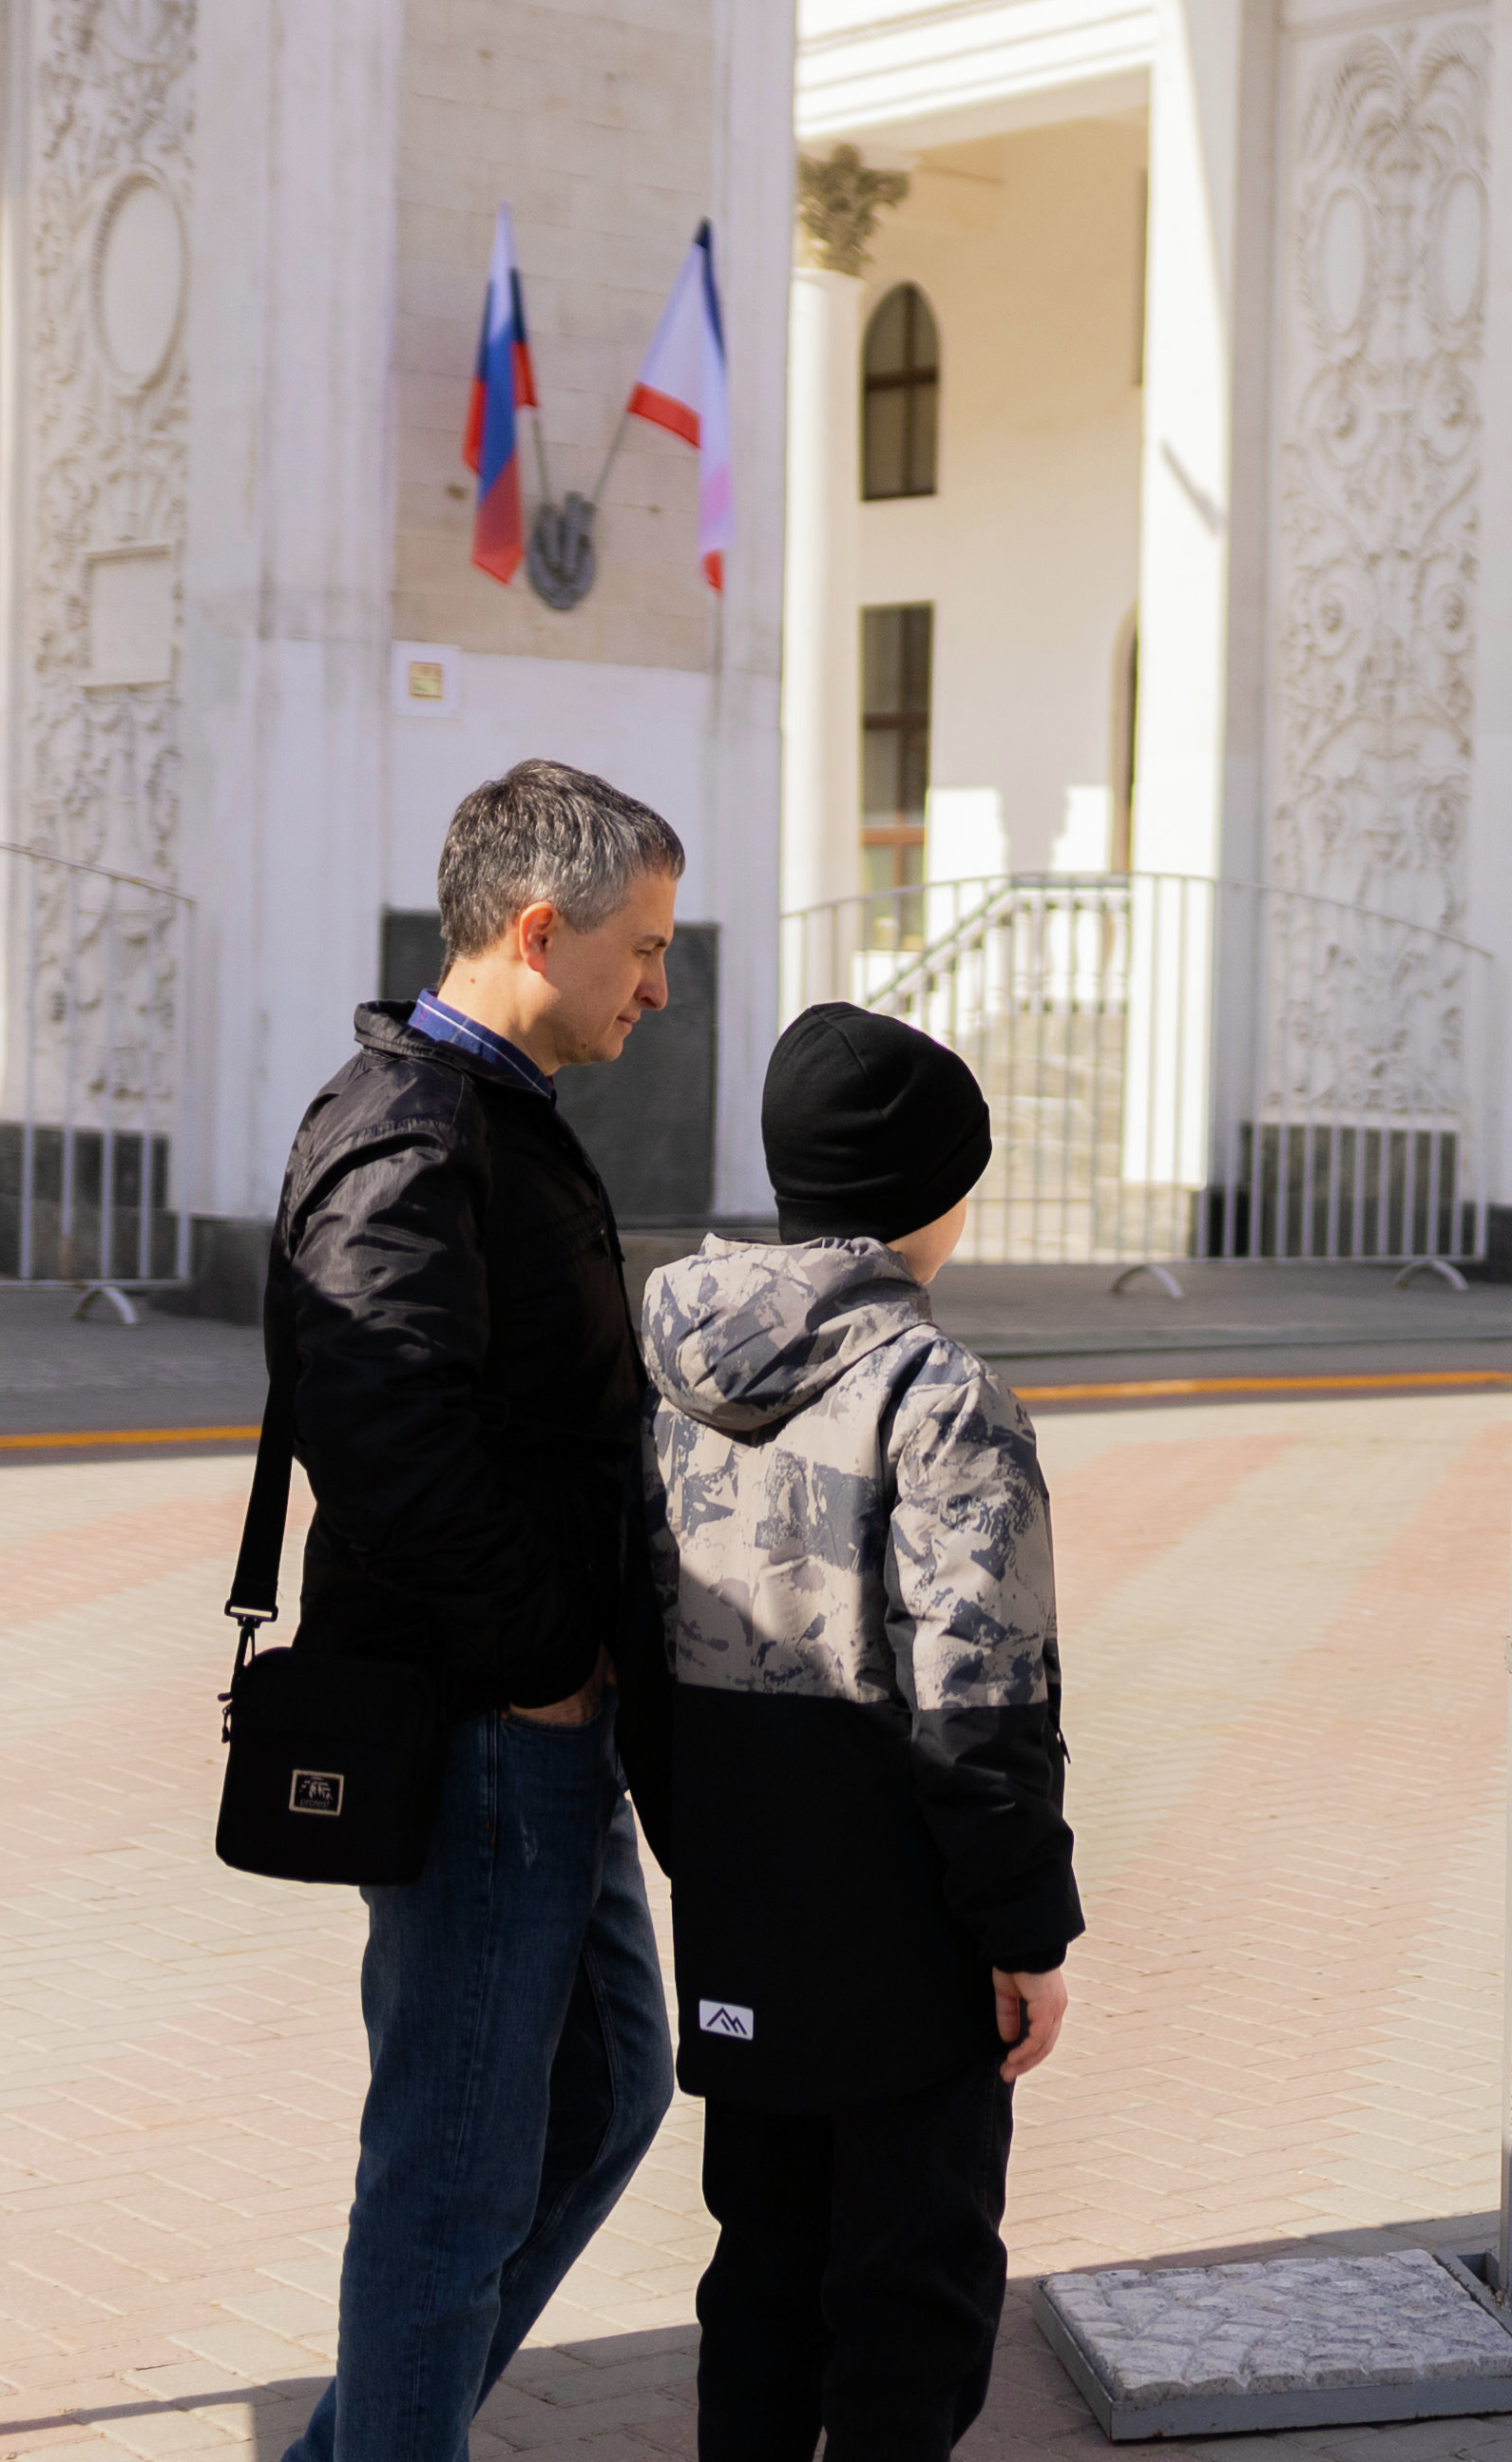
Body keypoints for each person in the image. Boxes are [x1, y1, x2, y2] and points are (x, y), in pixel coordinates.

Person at [268, 760, 684, 2462]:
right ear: (539, 930)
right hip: (484, 1729)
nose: (659, 986)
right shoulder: (415, 1132)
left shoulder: (485, 1117)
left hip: (535, 1727)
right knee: (448, 2176)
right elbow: (381, 1432)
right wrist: (538, 1665)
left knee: (607, 2091)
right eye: (642, 950)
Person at [635, 1002, 1084, 2459]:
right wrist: (1025, 1930)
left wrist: (704, 1838)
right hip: (902, 1927)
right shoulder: (938, 1397)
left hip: (742, 1901)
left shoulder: (675, 1379)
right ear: (930, 1195)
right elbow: (980, 1701)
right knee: (915, 2291)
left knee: (760, 2266)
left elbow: (639, 1653)